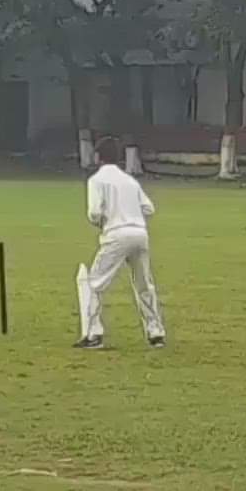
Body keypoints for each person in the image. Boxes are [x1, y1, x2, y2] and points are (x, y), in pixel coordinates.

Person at [75, 138, 166, 349]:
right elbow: (149, 208)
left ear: (98, 157)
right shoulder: (130, 181)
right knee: (144, 284)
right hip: (140, 233)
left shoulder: (96, 180)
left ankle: (93, 334)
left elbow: (94, 213)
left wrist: (104, 221)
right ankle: (156, 332)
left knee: (94, 283)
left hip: (116, 234)